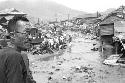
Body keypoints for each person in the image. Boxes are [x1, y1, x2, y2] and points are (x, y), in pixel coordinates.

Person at [0, 16, 36, 83]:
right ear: (12, 35)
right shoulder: (14, 56)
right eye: (26, 33)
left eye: (31, 33)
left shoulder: (21, 55)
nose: (30, 37)